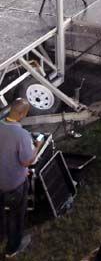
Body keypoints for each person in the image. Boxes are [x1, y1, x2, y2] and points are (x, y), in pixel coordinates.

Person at [0, 98, 38, 258]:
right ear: (23, 114)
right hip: (13, 187)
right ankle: (12, 248)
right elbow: (27, 161)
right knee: (15, 215)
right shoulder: (22, 134)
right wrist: (37, 147)